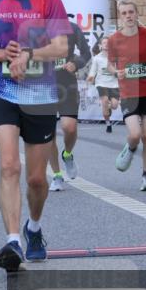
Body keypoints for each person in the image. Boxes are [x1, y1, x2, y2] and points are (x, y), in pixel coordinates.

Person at [0, 0, 72, 271]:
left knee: (37, 180)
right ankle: (12, 241)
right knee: (9, 165)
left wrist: (29, 53)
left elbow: (62, 46)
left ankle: (33, 228)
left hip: (40, 95)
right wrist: (1, 55)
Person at [108, 0, 146, 191]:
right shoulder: (114, 39)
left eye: (131, 12)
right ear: (121, 16)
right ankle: (130, 148)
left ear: (137, 14)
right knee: (135, 134)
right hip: (129, 93)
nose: (128, 16)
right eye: (124, 13)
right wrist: (116, 72)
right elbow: (110, 64)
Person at [47, 19, 92, 191]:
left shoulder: (72, 27)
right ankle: (57, 176)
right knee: (48, 133)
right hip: (44, 85)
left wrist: (76, 63)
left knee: (70, 127)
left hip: (67, 83)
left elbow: (86, 53)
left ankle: (67, 154)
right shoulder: (36, 28)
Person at [87, 36, 120, 132]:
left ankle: (108, 107)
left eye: (108, 42)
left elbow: (119, 69)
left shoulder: (115, 57)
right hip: (101, 83)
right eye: (104, 43)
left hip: (114, 84)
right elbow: (93, 70)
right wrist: (91, 76)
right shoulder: (97, 58)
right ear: (100, 45)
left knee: (114, 105)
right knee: (105, 100)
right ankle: (108, 124)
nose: (106, 44)